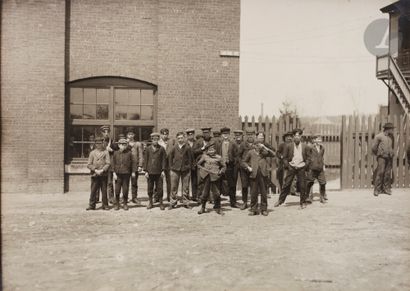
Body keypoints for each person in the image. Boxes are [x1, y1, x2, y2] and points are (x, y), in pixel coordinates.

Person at [274, 128, 311, 209]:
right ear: (293, 136)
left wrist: (305, 165)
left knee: (302, 185)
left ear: (301, 136)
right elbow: (284, 158)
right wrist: (288, 166)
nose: (297, 137)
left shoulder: (305, 146)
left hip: (301, 167)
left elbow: (308, 158)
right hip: (292, 167)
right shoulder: (289, 146)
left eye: (299, 135)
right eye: (295, 136)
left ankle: (303, 202)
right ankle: (280, 200)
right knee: (287, 184)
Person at [242, 141, 273, 216]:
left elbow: (273, 154)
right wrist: (248, 167)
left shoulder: (264, 152)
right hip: (254, 174)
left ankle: (264, 209)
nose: (257, 147)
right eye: (256, 145)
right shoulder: (250, 152)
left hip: (263, 174)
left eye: (259, 145)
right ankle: (253, 209)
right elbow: (244, 162)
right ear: (253, 146)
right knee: (253, 193)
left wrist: (264, 147)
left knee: (264, 193)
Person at [197, 142, 226, 215]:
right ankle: (203, 208)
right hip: (206, 177)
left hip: (215, 177)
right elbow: (198, 164)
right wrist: (202, 171)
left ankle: (218, 208)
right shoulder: (204, 156)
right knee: (205, 193)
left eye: (213, 149)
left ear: (215, 150)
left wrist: (220, 171)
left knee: (216, 193)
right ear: (207, 150)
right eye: (210, 149)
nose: (211, 151)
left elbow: (224, 166)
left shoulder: (219, 157)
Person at [168, 131, 194, 209]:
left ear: (184, 138)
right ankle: (173, 202)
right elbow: (170, 158)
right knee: (173, 187)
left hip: (185, 170)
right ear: (177, 139)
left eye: (181, 138)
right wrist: (171, 167)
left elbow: (191, 159)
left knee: (185, 187)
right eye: (178, 138)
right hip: (175, 169)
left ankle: (186, 202)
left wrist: (189, 167)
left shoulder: (187, 147)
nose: (180, 139)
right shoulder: (174, 147)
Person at [216, 127, 240, 208]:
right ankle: (217, 204)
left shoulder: (233, 143)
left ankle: (233, 202)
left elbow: (237, 155)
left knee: (232, 184)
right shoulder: (218, 143)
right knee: (218, 184)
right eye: (223, 134)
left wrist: (233, 161)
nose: (225, 135)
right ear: (221, 135)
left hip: (230, 166)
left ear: (229, 134)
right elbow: (215, 154)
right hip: (221, 166)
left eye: (227, 134)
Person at [143, 132, 166, 210]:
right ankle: (150, 202)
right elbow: (145, 160)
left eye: (157, 140)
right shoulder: (148, 149)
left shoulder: (162, 148)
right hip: (150, 172)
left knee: (160, 188)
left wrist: (163, 170)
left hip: (159, 172)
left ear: (158, 140)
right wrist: (145, 171)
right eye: (153, 140)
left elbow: (163, 160)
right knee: (150, 188)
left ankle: (161, 203)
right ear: (151, 140)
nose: (155, 141)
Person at [86, 137, 110, 211]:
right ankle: (92, 205)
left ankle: (105, 205)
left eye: (100, 143)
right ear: (95, 144)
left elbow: (108, 163)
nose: (98, 145)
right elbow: (89, 164)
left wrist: (102, 170)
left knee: (104, 190)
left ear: (102, 143)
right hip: (95, 174)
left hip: (103, 174)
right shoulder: (92, 153)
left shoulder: (106, 152)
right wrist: (95, 170)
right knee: (93, 190)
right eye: (97, 144)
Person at [112, 138, 137, 210]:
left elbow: (133, 163)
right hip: (118, 174)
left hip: (126, 174)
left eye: (124, 144)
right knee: (117, 190)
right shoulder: (115, 153)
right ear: (118, 145)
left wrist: (133, 172)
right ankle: (117, 204)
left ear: (126, 145)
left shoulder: (129, 153)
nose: (122, 146)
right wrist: (114, 173)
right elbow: (113, 163)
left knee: (125, 189)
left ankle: (125, 203)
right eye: (121, 144)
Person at [372, 122, 395, 196]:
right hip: (381, 157)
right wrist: (379, 154)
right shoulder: (379, 136)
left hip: (389, 157)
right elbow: (374, 148)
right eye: (392, 129)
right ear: (387, 129)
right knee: (380, 173)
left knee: (387, 173)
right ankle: (377, 190)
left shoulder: (391, 137)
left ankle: (386, 189)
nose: (393, 130)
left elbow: (392, 146)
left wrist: (391, 152)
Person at [193, 127, 213, 200]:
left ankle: (211, 198)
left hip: (211, 164)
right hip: (201, 164)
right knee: (200, 181)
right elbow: (193, 151)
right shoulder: (198, 141)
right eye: (204, 133)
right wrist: (202, 149)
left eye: (207, 133)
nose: (206, 134)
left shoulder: (213, 141)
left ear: (210, 133)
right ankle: (200, 197)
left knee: (211, 180)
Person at [237, 128, 256, 210]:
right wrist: (242, 165)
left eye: (251, 134)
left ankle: (253, 203)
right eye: (248, 135)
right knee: (244, 186)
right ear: (246, 136)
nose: (250, 136)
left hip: (253, 168)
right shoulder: (243, 144)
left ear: (254, 135)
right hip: (244, 169)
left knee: (253, 186)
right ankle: (244, 202)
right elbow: (239, 156)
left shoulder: (256, 144)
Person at [306, 134, 327, 203]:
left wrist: (323, 166)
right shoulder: (310, 147)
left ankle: (322, 197)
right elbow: (308, 157)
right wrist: (309, 165)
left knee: (323, 183)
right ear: (314, 140)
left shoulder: (322, 148)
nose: (319, 141)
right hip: (312, 168)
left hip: (320, 168)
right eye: (318, 139)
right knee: (309, 182)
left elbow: (322, 158)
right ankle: (308, 197)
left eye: (320, 139)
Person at [126, 128, 144, 205]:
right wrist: (126, 143)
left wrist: (140, 165)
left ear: (134, 135)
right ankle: (125, 197)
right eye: (129, 134)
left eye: (132, 134)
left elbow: (140, 155)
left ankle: (134, 197)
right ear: (127, 135)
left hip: (134, 166)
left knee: (134, 183)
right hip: (126, 166)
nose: (130, 136)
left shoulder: (138, 144)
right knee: (125, 183)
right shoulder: (124, 143)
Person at [101, 125, 118, 204]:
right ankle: (100, 198)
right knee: (100, 182)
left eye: (107, 132)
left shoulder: (113, 142)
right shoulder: (100, 142)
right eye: (104, 132)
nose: (106, 133)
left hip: (110, 165)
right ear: (102, 133)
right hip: (101, 165)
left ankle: (111, 198)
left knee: (109, 182)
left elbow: (117, 153)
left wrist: (111, 150)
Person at [158, 128, 175, 202]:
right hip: (160, 163)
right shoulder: (158, 142)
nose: (165, 135)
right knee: (159, 181)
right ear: (161, 134)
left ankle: (169, 196)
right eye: (163, 134)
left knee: (169, 181)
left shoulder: (171, 141)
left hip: (169, 164)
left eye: (166, 134)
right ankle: (158, 197)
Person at [186, 128, 199, 201]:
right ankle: (186, 196)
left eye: (192, 134)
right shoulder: (185, 143)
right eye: (189, 134)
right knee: (186, 181)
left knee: (194, 181)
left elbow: (200, 152)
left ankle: (195, 196)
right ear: (187, 135)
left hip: (194, 164)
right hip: (186, 165)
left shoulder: (197, 143)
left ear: (193, 134)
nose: (190, 136)